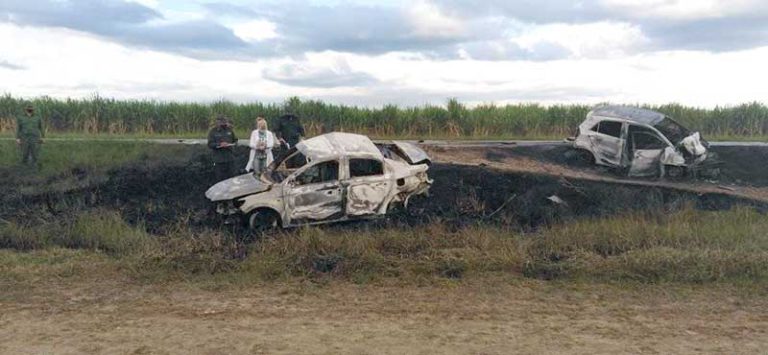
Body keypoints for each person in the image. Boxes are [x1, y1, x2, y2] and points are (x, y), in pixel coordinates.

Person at [207, 115, 238, 182]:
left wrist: (231, 144)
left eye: (225, 122)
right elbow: (210, 144)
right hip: (219, 160)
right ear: (217, 122)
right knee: (220, 179)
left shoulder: (230, 130)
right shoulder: (213, 131)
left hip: (230, 158)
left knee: (232, 178)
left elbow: (235, 140)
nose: (224, 123)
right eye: (222, 122)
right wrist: (219, 144)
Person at [16, 103, 44, 168]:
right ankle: (24, 166)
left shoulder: (37, 117)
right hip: (24, 138)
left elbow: (41, 127)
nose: (30, 110)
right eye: (28, 109)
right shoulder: (21, 117)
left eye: (31, 109)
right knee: (24, 152)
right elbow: (18, 128)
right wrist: (17, 138)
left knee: (34, 152)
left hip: (34, 138)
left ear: (33, 109)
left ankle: (34, 166)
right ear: (25, 109)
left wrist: (42, 137)